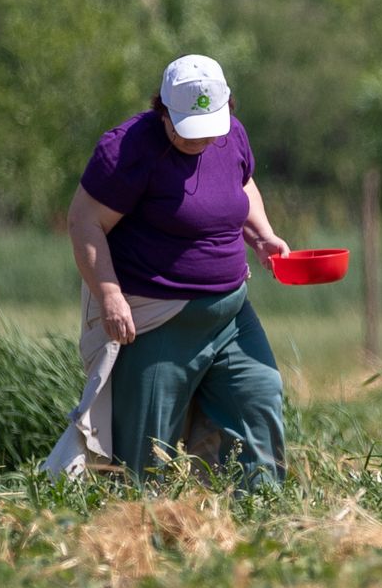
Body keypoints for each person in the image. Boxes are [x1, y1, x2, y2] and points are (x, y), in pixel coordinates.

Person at [55, 53, 290, 489]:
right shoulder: (127, 149)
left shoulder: (230, 134)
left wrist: (261, 235)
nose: (199, 141)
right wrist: (109, 294)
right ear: (162, 109)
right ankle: (141, 533)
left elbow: (242, 184)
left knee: (260, 396)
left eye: (208, 129)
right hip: (158, 320)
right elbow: (84, 222)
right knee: (144, 449)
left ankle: (262, 516)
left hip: (230, 316)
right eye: (187, 130)